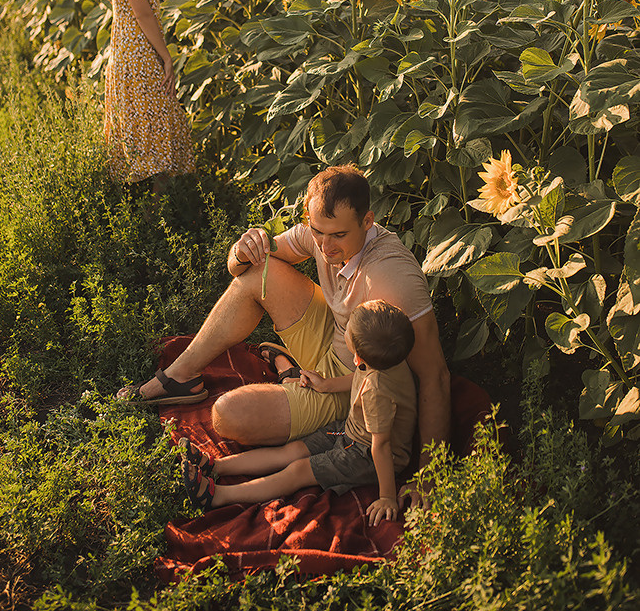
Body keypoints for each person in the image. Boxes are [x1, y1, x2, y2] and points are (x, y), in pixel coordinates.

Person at [117, 164, 450, 503]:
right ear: (310, 220)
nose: (326, 246)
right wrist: (240, 250)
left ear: (368, 222)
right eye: (318, 232)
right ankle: (180, 376)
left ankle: (284, 380)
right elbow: (242, 267)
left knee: (227, 415)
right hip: (335, 338)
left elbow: (434, 375)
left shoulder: (394, 280)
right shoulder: (320, 235)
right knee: (261, 269)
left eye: (338, 236)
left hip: (357, 380)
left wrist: (429, 475)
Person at [180, 300, 417, 526]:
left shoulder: (376, 393)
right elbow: (360, 376)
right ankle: (216, 467)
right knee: (292, 451)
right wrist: (325, 385)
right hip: (350, 430)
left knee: (298, 470)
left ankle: (216, 496)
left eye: (349, 330)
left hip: (365, 454)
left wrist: (386, 495)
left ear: (357, 357)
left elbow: (381, 446)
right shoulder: (387, 360)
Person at [93, 0, 234, 192]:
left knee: (148, 124)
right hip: (138, 54)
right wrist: (166, 56)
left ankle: (147, 210)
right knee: (153, 127)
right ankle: (153, 216)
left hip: (136, 53)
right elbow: (143, 15)